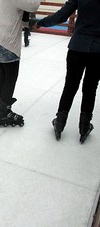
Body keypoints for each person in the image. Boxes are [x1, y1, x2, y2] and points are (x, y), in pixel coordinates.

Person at [34, 0, 100, 143]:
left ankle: (60, 121)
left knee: (70, 85)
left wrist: (42, 22)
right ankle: (84, 125)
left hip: (78, 46)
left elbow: (62, 15)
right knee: (90, 88)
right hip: (98, 51)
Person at [0, 0, 41, 127]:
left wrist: (27, 22)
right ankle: (3, 113)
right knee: (11, 78)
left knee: (2, 75)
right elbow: (33, 5)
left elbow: (18, 14)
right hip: (6, 42)